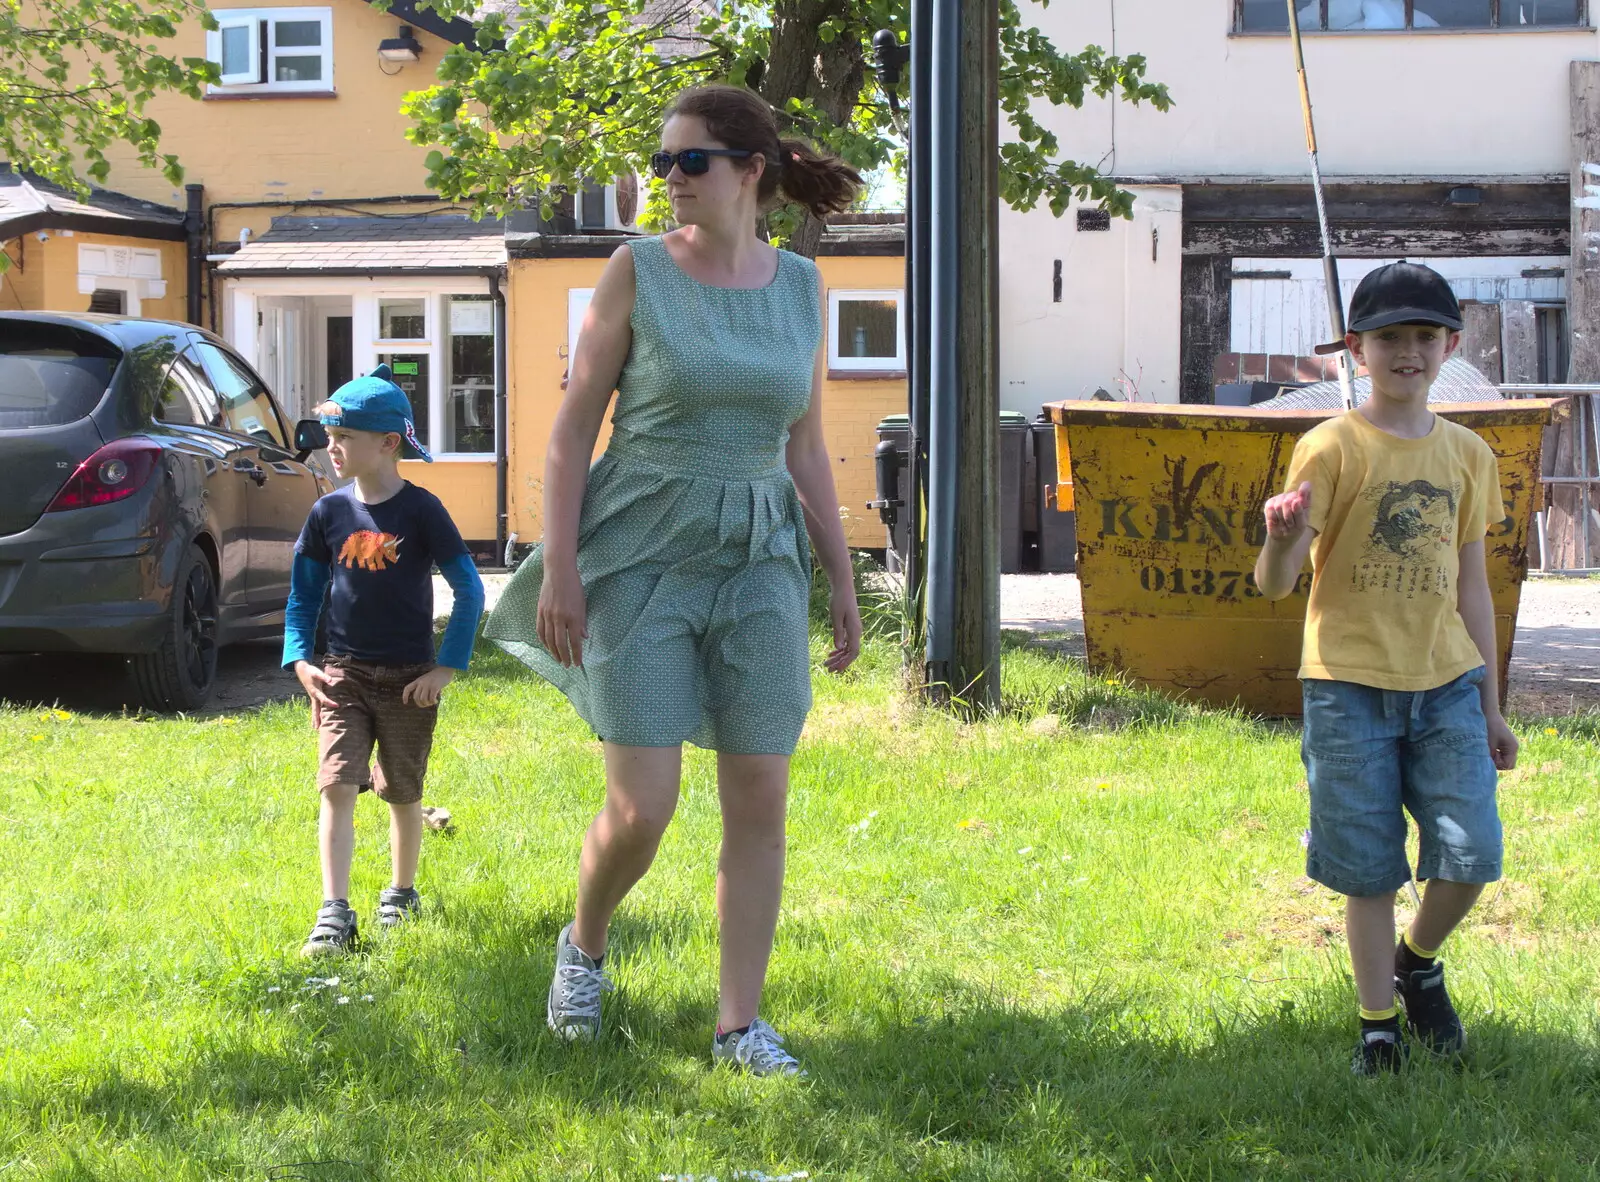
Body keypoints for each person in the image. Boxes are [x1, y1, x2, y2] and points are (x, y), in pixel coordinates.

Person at [483, 84, 863, 1076]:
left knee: (759, 794)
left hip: (760, 562)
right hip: (638, 553)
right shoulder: (636, 270)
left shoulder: (798, 288)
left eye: (688, 162)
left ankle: (739, 1024)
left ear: (750, 170)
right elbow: (571, 435)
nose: (668, 181)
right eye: (661, 164)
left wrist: (843, 574)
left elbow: (807, 445)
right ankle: (585, 942)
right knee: (643, 806)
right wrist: (559, 569)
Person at [1255, 262, 1519, 1075]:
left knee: (1471, 853)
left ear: (1449, 345)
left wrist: (1492, 705)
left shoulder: (1469, 454)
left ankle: (1418, 960)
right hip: (1347, 688)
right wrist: (1279, 536)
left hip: (1446, 687)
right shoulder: (1330, 445)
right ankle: (1378, 1024)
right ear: (1356, 352)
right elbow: (1276, 583)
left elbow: (1473, 587)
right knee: (1366, 864)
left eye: (1422, 336)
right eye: (1387, 337)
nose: (1407, 351)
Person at [283, 366, 485, 957]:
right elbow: (303, 596)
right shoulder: (327, 514)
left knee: (402, 790)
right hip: (341, 674)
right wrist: (301, 659)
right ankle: (335, 912)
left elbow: (469, 589)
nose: (332, 448)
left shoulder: (422, 512)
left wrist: (446, 667)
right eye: (330, 435)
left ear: (387, 443)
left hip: (407, 681)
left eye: (344, 437)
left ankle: (399, 894)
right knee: (337, 785)